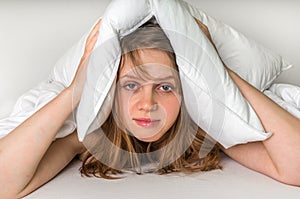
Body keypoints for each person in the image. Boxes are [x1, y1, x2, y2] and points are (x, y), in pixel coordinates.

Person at [0, 17, 300, 199]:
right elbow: (4, 185)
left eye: (165, 87)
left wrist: (219, 73)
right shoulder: (87, 138)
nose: (147, 104)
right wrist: (75, 89)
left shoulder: (205, 131)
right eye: (131, 85)